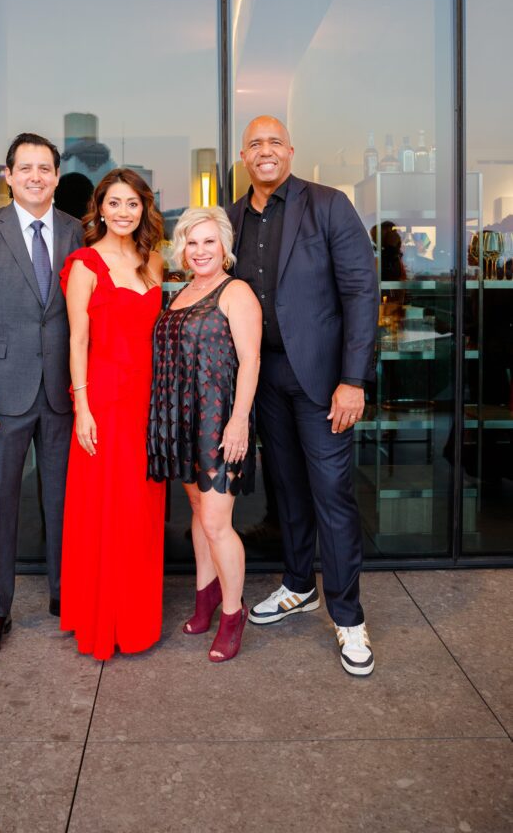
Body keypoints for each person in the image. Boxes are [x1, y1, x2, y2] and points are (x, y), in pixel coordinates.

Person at [228, 116, 379, 677]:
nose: (265, 151)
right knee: (286, 489)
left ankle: (349, 617)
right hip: (265, 379)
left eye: (274, 142)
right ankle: (297, 586)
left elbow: (362, 290)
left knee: (332, 495)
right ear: (244, 157)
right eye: (255, 145)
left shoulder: (328, 204)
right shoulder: (234, 217)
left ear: (289, 151)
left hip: (323, 382)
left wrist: (353, 378)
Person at [0, 133, 82, 659]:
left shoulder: (78, 231)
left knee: (64, 503)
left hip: (62, 394)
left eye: (44, 167)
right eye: (24, 167)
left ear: (56, 174)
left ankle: (64, 596)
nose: (35, 175)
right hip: (1, 395)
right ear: (7, 175)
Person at [60, 168, 166, 661]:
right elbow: (76, 341)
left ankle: (138, 617)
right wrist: (82, 406)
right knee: (106, 509)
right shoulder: (85, 263)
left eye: (133, 204)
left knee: (141, 510)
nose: (124, 212)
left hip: (149, 402)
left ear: (144, 209)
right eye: (115, 203)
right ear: (99, 208)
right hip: (104, 400)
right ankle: (103, 618)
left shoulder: (154, 262)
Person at [148, 207, 261, 663]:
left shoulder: (236, 292)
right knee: (197, 511)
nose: (199, 251)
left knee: (217, 522)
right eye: (192, 243)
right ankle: (205, 596)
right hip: (182, 420)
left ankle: (233, 615)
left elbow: (251, 362)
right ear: (181, 247)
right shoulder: (178, 294)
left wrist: (239, 421)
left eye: (208, 242)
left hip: (218, 420)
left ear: (225, 247)